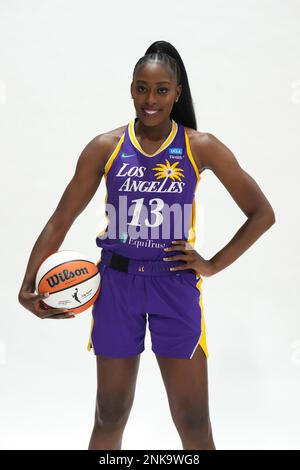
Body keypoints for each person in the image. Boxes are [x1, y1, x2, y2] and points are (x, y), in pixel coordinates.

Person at [18, 40, 275, 451]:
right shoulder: (105, 147)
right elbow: (59, 220)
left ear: (176, 93)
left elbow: (262, 213)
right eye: (141, 88)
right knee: (109, 413)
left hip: (174, 286)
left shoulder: (199, 146)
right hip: (116, 287)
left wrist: (210, 265)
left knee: (193, 422)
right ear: (131, 89)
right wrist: (27, 283)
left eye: (160, 90)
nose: (150, 99)